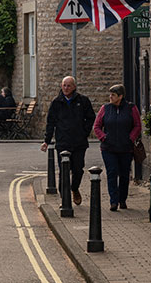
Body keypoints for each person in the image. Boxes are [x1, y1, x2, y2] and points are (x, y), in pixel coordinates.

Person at [41, 76, 94, 205]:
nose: (66, 88)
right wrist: (46, 141)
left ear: (74, 87)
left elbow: (91, 118)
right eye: (64, 85)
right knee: (64, 169)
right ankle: (65, 200)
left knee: (78, 169)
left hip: (79, 143)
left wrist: (84, 133)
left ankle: (74, 189)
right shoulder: (56, 102)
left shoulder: (83, 101)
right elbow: (50, 123)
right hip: (62, 142)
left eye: (68, 85)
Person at [93, 84, 141, 211]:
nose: (110, 97)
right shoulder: (105, 108)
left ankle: (122, 199)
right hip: (108, 148)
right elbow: (97, 126)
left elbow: (137, 125)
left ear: (120, 96)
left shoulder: (131, 108)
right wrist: (103, 137)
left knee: (124, 175)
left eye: (113, 95)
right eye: (110, 94)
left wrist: (130, 138)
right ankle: (113, 201)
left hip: (126, 148)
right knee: (112, 173)